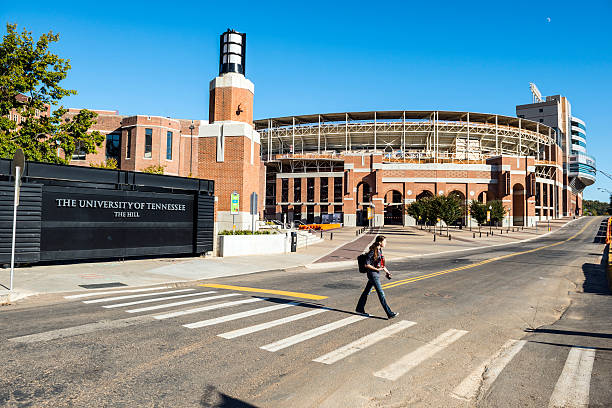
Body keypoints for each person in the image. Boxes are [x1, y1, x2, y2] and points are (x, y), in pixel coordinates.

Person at [355, 235, 398, 319]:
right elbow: (366, 264)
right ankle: (389, 313)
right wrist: (376, 269)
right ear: (380, 242)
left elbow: (381, 264)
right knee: (381, 293)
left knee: (366, 292)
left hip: (375, 274)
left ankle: (359, 308)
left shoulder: (379, 250)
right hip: (373, 275)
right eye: (384, 241)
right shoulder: (373, 251)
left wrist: (387, 272)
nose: (386, 243)